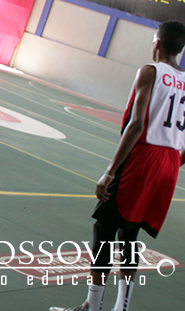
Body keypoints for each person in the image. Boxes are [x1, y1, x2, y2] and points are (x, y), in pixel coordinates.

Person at [50, 21, 185, 311]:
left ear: (157, 43)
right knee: (129, 232)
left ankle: (93, 305)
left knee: (104, 227)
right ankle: (121, 307)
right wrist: (171, 164)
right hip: (171, 162)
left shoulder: (151, 71)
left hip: (145, 156)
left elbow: (136, 124)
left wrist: (110, 172)